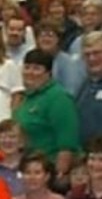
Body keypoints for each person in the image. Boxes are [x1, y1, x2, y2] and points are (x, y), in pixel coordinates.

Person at [15, 49, 80, 180]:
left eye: (36, 68)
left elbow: (66, 143)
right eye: (27, 67)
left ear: (48, 73)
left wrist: (59, 175)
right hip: (27, 170)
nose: (30, 72)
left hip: (48, 172)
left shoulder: (58, 98)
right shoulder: (26, 97)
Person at [0, 119, 26, 196]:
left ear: (21, 141)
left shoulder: (29, 165)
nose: (7, 141)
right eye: (3, 137)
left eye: (12, 137)